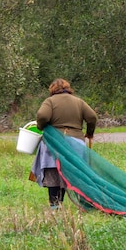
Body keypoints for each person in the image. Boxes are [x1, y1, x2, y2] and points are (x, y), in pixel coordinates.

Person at [31, 78, 97, 208]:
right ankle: (86, 204)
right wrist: (89, 133)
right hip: (76, 143)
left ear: (52, 89)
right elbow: (92, 117)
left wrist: (40, 127)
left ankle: (55, 206)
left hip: (54, 143)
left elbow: (43, 116)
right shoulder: (79, 101)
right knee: (75, 174)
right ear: (68, 88)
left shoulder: (49, 101)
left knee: (53, 173)